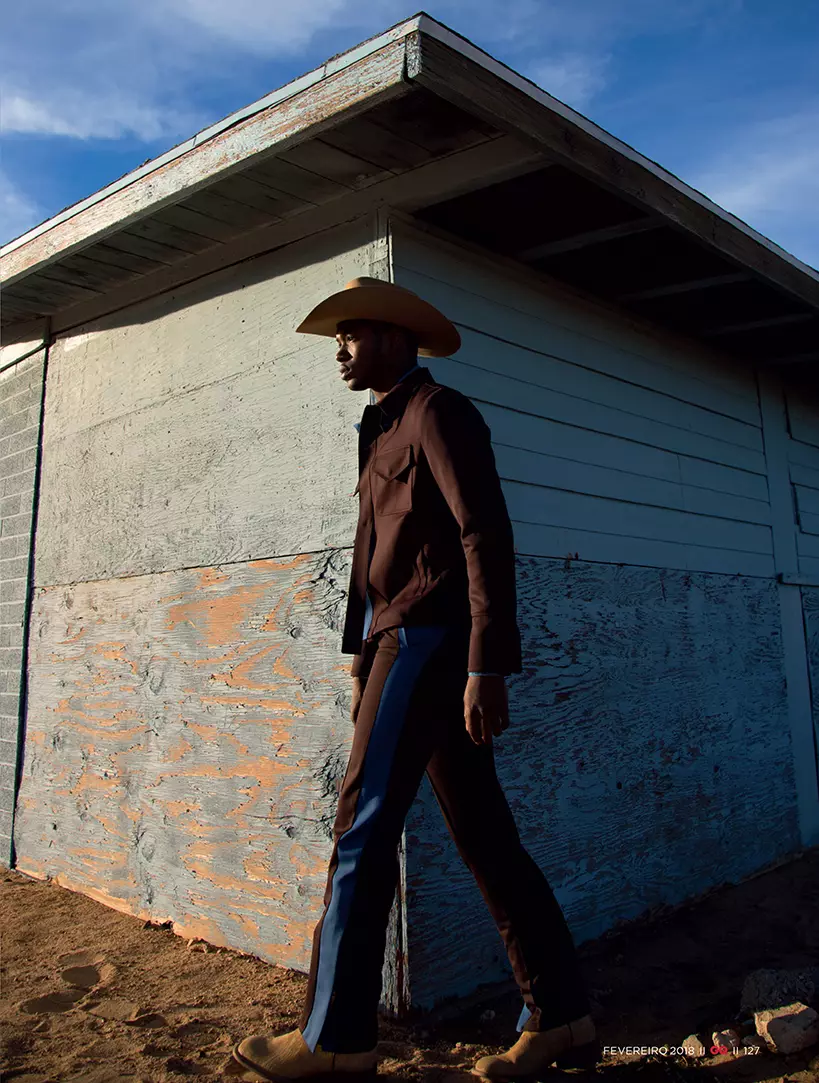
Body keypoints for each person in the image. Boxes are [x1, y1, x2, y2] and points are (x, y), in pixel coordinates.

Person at [232, 278, 599, 1081]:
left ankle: (336, 1037)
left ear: (396, 338)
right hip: (396, 645)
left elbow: (482, 531)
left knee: (361, 824)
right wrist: (361, 655)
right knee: (484, 835)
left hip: (433, 645)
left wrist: (484, 663)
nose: (338, 349)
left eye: (350, 334)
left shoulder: (439, 413)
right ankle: (562, 1015)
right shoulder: (381, 427)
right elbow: (376, 559)